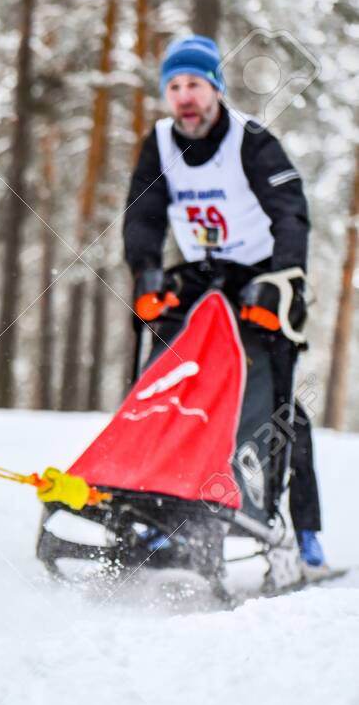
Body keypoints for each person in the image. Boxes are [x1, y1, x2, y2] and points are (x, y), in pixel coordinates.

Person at [122, 34, 328, 577]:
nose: (185, 96)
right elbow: (142, 215)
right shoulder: (161, 142)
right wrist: (145, 271)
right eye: (174, 86)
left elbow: (291, 212)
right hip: (200, 275)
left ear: (214, 88)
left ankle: (302, 531)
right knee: (163, 380)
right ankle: (154, 508)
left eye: (195, 84)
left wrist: (283, 277)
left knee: (274, 401)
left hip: (262, 274)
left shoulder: (251, 141)